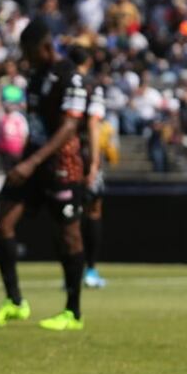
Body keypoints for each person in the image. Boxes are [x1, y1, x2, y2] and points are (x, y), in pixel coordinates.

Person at [0, 17, 89, 332]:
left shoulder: (71, 77)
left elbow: (70, 127)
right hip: (33, 161)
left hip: (62, 166)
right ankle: (15, 302)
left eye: (29, 52)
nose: (26, 59)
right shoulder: (36, 73)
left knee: (69, 235)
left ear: (44, 47)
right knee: (1, 221)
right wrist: (28, 159)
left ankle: (73, 311)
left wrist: (32, 161)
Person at [71, 47, 108, 289]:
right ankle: (90, 270)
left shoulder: (63, 82)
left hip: (64, 155)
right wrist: (94, 163)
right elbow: (94, 125)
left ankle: (71, 272)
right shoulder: (91, 87)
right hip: (83, 156)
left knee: (68, 216)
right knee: (93, 210)